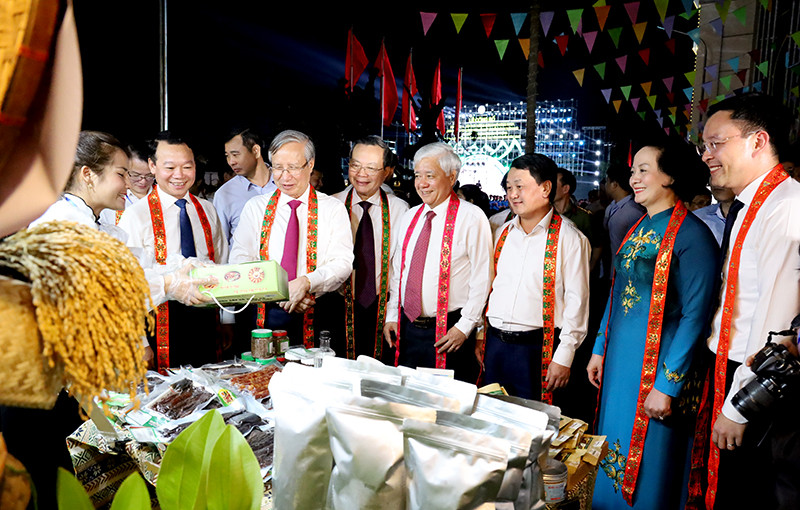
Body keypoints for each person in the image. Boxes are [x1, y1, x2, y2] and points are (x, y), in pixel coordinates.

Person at [587, 139, 719, 509]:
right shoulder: (637, 228)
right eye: (633, 171)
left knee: (651, 462)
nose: (634, 179)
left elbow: (696, 315)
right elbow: (616, 292)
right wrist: (599, 348)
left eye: (644, 170)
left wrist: (667, 385)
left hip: (657, 368)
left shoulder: (693, 236)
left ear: (671, 177)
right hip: (619, 366)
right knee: (612, 441)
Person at [687, 94, 800, 510]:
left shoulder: (785, 208)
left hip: (756, 382)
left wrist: (738, 406)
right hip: (730, 371)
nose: (707, 156)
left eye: (716, 143)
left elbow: (776, 324)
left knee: (747, 493)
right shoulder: (752, 205)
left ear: (758, 141)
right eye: (704, 146)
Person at [229, 129, 353, 350]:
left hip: (316, 310)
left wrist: (306, 283)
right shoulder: (256, 208)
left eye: (293, 168)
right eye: (277, 167)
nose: (285, 177)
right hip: (264, 314)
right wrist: (282, 292)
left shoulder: (332, 209)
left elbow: (342, 263)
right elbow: (239, 261)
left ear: (310, 164)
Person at [483, 154, 590, 403]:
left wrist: (564, 356)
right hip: (496, 343)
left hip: (536, 348)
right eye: (509, 188)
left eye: (520, 186)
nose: (513, 194)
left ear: (545, 188)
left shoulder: (570, 238)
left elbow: (577, 302)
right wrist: (481, 333)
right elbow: (493, 287)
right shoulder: (503, 232)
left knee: (534, 423)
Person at [383, 142, 492, 383]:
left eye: (429, 176)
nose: (421, 183)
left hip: (449, 330)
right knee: (407, 396)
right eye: (418, 175)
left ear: (451, 177)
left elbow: (483, 277)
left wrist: (465, 327)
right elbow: (398, 271)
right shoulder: (411, 215)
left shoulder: (471, 217)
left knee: (445, 407)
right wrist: (392, 314)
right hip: (408, 326)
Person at [119, 131, 228, 370]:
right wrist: (139, 343)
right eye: (170, 167)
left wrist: (228, 319)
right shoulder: (135, 216)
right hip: (159, 326)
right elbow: (126, 285)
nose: (179, 176)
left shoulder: (207, 210)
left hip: (206, 323)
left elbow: (222, 263)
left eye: (187, 167)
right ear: (152, 166)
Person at [332, 136, 409, 362]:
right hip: (337, 304)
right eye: (355, 165)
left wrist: (393, 312)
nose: (361, 174)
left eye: (371, 168)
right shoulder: (332, 205)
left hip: (382, 306)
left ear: (386, 172)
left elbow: (401, 268)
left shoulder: (400, 210)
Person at [214, 128, 277, 243]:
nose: (231, 161)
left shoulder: (285, 184)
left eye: (235, 154)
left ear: (256, 151)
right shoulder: (224, 194)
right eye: (227, 156)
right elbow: (220, 245)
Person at [98, 141, 155, 226]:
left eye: (149, 175)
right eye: (136, 175)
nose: (143, 181)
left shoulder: (163, 195)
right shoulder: (112, 198)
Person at [603, 164, 646, 261]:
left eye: (607, 181)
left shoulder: (633, 212)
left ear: (614, 185)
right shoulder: (611, 207)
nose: (605, 185)